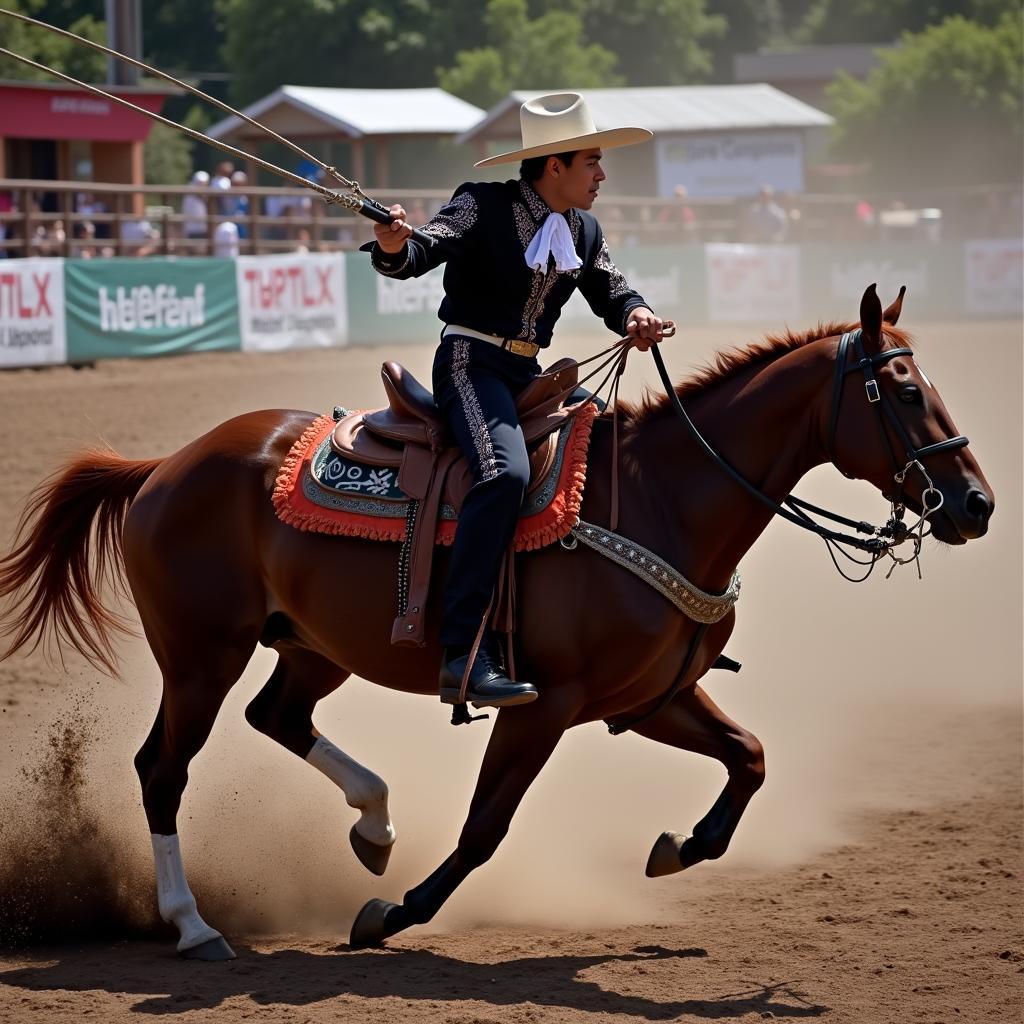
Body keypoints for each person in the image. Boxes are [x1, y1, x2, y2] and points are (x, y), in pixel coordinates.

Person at [365, 92, 665, 709]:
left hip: (527, 376)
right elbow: (420, 253)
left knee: (616, 445)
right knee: (503, 476)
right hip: (470, 365)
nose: (602, 175)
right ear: (554, 165)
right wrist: (394, 244)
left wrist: (636, 312)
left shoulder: (585, 227)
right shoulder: (482, 204)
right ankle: (465, 653)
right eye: (593, 162)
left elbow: (610, 287)